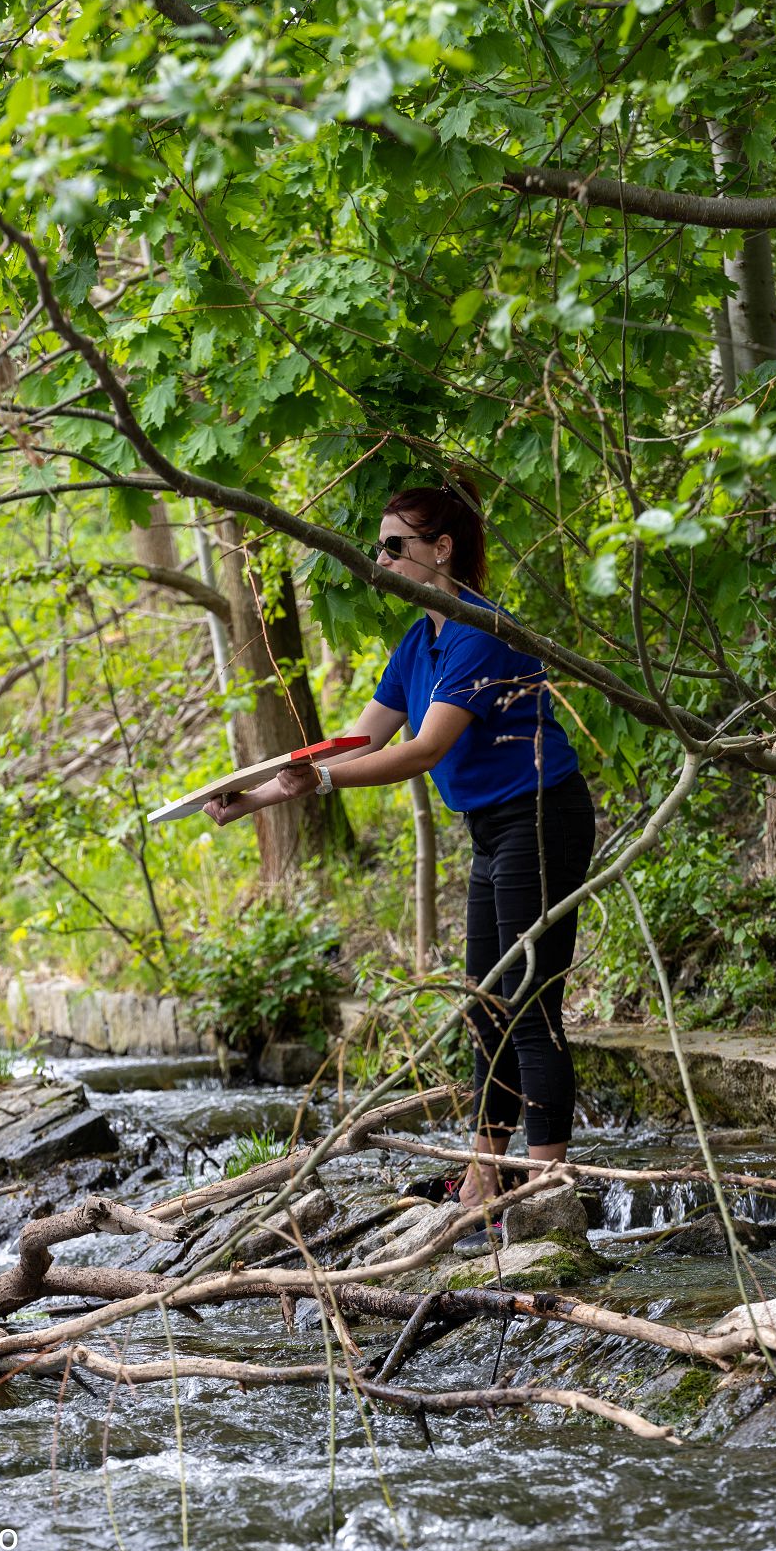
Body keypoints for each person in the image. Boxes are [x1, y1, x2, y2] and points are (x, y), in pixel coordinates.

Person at [203, 476, 596, 1219]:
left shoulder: (481, 631)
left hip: (542, 817)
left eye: (394, 546)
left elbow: (422, 750)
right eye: (377, 547)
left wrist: (319, 780)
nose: (379, 560)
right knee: (485, 1007)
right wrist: (254, 794)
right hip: (492, 828)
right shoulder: (420, 642)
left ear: (440, 549)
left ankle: (548, 1192)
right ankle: (484, 1181)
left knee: (528, 1006)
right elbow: (357, 740)